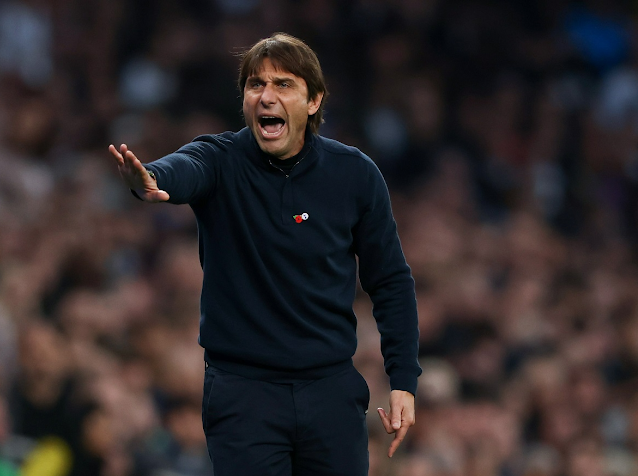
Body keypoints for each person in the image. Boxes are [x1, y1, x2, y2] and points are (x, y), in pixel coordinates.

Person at [109, 33, 421, 476]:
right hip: (243, 395)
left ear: (313, 101)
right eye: (256, 85)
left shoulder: (355, 174)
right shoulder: (219, 159)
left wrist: (404, 381)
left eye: (283, 85)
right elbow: (182, 169)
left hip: (330, 391)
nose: (266, 97)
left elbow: (390, 281)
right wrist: (152, 180)